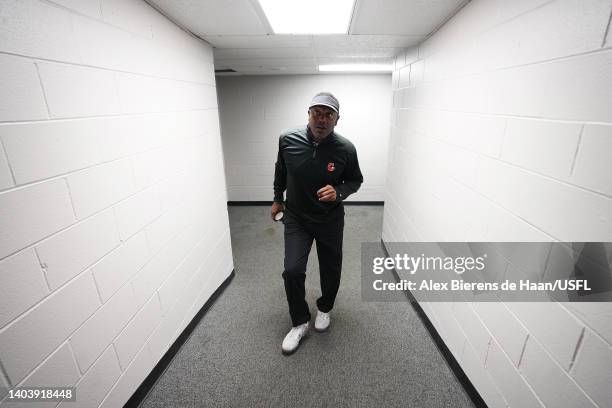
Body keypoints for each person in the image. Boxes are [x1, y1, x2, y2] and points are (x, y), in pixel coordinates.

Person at [272, 92, 363, 355]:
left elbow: (355, 180)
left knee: (330, 268)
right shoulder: (287, 139)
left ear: (337, 119)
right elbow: (281, 170)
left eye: (328, 114)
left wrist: (340, 192)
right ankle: (299, 322)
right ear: (308, 114)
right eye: (317, 113)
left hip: (329, 219)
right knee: (292, 270)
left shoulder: (346, 148)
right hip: (297, 217)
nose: (322, 119)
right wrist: (278, 198)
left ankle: (325, 308)